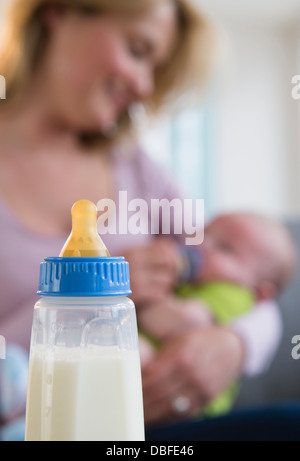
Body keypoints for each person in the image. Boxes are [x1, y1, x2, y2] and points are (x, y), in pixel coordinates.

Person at [0, 0, 284, 439]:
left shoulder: (137, 170)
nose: (144, 84)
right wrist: (92, 294)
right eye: (137, 50)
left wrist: (234, 344)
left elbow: (253, 273)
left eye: (156, 68)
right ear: (59, 11)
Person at [138, 211, 296, 416]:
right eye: (204, 233)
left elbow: (181, 322)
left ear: (260, 292)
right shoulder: (190, 282)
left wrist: (140, 297)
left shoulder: (235, 293)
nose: (203, 245)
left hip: (189, 407)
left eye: (224, 248)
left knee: (136, 352)